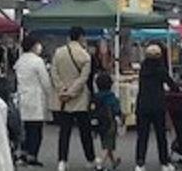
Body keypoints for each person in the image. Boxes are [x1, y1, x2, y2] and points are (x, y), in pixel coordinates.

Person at [51, 26, 102, 171]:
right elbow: (83, 79)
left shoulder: (58, 52)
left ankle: (62, 161)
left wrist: (63, 90)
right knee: (85, 131)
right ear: (81, 37)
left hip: (62, 99)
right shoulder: (85, 56)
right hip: (79, 98)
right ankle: (90, 159)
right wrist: (72, 92)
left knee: (64, 131)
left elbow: (54, 73)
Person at [133, 44, 175, 171]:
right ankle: (164, 162)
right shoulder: (160, 69)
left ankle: (140, 162)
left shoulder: (143, 68)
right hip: (157, 105)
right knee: (161, 135)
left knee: (142, 136)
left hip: (143, 104)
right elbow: (171, 84)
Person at [14, 33, 53, 167]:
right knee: (35, 130)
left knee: (24, 129)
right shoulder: (37, 61)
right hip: (35, 97)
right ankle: (32, 155)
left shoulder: (20, 61)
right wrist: (51, 95)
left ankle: (22, 154)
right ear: (33, 46)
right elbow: (45, 81)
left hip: (23, 97)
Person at [92, 72, 123, 170]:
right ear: (111, 84)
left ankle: (114, 161)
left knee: (107, 144)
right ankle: (99, 163)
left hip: (99, 124)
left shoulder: (95, 97)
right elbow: (117, 110)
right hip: (110, 124)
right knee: (107, 145)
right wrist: (121, 120)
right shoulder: (111, 97)